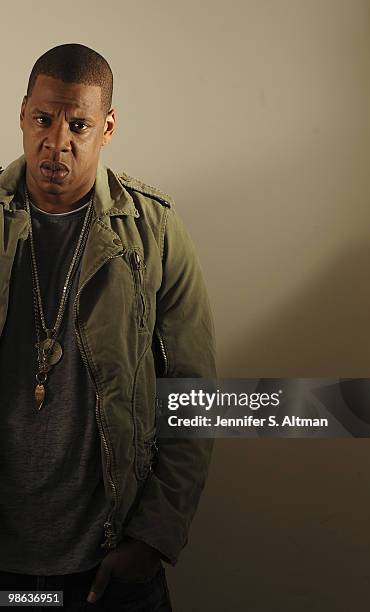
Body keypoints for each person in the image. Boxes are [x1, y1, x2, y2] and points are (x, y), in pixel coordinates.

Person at [0, 43, 216, 611]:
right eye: (44, 120)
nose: (57, 141)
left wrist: (154, 535)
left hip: (111, 564)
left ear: (107, 126)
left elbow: (195, 393)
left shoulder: (155, 231)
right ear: (23, 113)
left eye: (79, 124)